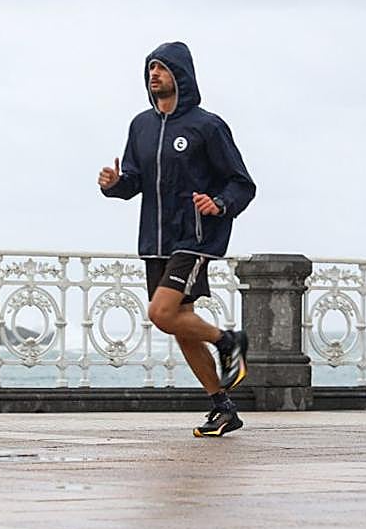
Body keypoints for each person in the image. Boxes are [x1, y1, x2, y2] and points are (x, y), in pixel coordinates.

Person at [99, 42, 256, 437]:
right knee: (179, 324)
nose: (154, 75)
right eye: (150, 68)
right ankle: (222, 407)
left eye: (162, 69)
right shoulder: (141, 126)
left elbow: (242, 183)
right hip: (155, 241)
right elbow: (134, 181)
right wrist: (116, 185)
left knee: (162, 313)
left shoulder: (207, 126)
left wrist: (218, 203)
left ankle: (228, 341)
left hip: (196, 237)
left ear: (181, 75)